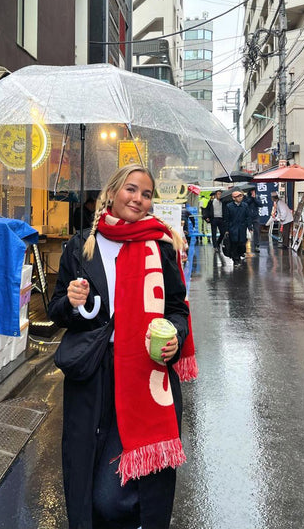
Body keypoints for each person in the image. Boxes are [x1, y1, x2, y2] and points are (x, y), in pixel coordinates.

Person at [48, 163, 196, 529]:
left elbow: (178, 308)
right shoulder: (80, 246)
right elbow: (56, 312)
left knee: (116, 496)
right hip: (93, 376)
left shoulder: (161, 246)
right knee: (87, 475)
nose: (139, 199)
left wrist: (175, 338)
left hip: (145, 376)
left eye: (147, 194)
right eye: (131, 189)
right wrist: (71, 301)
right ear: (112, 193)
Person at [223, 190, 252, 266]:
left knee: (242, 244)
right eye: (238, 196)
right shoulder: (229, 206)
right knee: (234, 244)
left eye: (241, 196)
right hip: (233, 228)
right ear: (233, 198)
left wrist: (249, 227)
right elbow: (226, 219)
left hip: (242, 228)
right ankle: (236, 260)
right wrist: (226, 229)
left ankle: (240, 254)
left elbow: (248, 217)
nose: (240, 198)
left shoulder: (245, 205)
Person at [245, 188, 262, 252]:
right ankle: (243, 245)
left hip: (255, 217)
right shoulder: (246, 197)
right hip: (248, 216)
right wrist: (251, 198)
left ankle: (256, 245)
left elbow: (260, 204)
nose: (253, 192)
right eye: (251, 191)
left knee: (257, 231)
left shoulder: (257, 197)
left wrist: (254, 198)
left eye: (254, 191)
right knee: (246, 231)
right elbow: (246, 204)